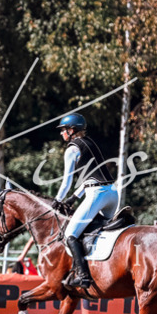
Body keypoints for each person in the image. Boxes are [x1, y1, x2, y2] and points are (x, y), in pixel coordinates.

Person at [52, 113, 118, 289]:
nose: (61, 134)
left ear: (72, 130)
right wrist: (75, 197)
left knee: (70, 235)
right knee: (96, 230)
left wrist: (57, 200)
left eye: (63, 130)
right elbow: (93, 175)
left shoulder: (71, 149)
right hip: (112, 193)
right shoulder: (91, 143)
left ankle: (83, 276)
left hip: (97, 195)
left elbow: (66, 183)